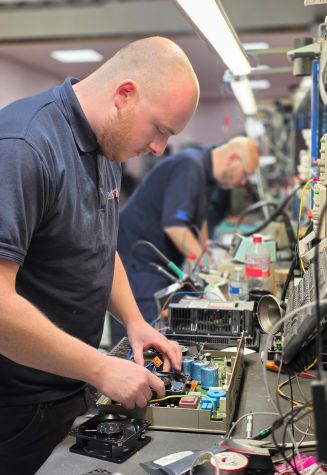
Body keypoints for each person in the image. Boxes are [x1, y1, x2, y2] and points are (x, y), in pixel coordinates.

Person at [0, 36, 199, 474]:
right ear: (124, 94)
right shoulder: (24, 145)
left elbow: (99, 248)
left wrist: (135, 322)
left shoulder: (106, 145)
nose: (159, 149)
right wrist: (100, 367)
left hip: (71, 389)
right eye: (160, 129)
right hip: (15, 408)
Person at [115, 136, 259, 337]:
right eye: (244, 175)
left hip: (156, 263)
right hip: (138, 261)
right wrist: (206, 268)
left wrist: (207, 252)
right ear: (233, 158)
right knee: (140, 337)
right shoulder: (190, 167)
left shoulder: (207, 172)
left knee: (157, 331)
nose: (242, 182)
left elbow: (199, 219)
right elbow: (176, 227)